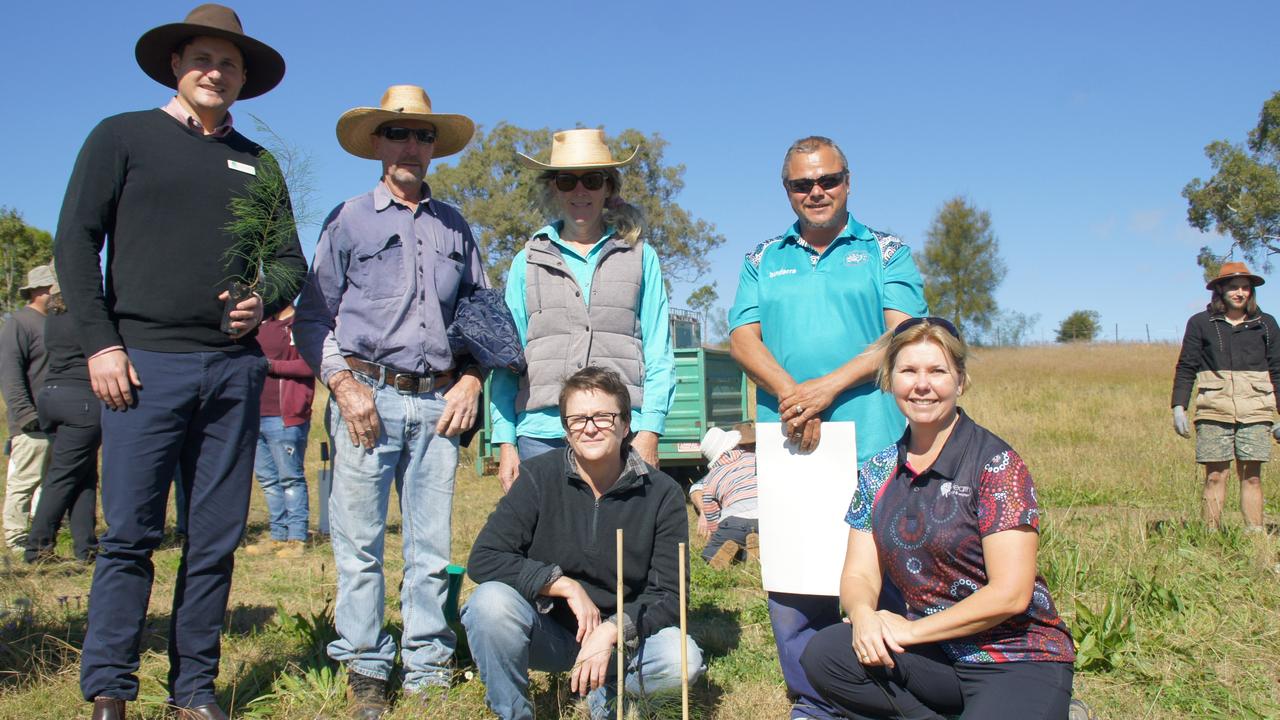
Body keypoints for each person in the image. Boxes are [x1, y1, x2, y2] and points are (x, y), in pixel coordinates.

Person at [52, 6, 303, 719]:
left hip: (231, 372)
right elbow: (76, 242)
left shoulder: (260, 163)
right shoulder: (122, 136)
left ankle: (193, 691)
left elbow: (290, 262)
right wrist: (101, 343)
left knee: (215, 541)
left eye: (228, 63)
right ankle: (110, 687)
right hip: (141, 366)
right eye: (201, 58)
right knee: (129, 535)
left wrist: (262, 297)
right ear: (175, 64)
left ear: (244, 78)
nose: (213, 72)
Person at [293, 84, 485, 719]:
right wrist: (343, 387)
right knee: (360, 545)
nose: (411, 145)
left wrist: (472, 380)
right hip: (365, 397)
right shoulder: (348, 219)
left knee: (430, 549)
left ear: (435, 148)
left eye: (423, 135)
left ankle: (428, 662)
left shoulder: (457, 226)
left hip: (437, 404)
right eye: (399, 133)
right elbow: (312, 314)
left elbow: (483, 316)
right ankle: (367, 664)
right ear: (377, 143)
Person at [727, 136, 928, 720]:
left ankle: (888, 694)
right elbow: (742, 337)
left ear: (848, 181)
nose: (816, 191)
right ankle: (814, 702)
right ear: (786, 190)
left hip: (875, 437)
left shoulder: (887, 251)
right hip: (792, 439)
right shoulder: (762, 257)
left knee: (885, 575)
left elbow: (903, 332)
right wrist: (794, 395)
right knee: (796, 576)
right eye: (801, 184)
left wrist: (828, 387)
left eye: (828, 180)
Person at [800, 317, 1077, 719]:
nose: (922, 385)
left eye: (937, 371)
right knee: (827, 655)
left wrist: (911, 631)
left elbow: (1012, 593)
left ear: (960, 380)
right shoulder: (877, 471)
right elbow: (859, 575)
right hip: (935, 656)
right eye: (908, 371)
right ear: (889, 379)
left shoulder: (996, 464)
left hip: (1016, 657)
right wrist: (862, 616)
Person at [463, 367, 703, 720]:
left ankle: (604, 691)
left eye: (603, 417)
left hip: (623, 643)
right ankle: (513, 713)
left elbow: (670, 595)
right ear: (565, 430)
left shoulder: (662, 493)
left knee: (682, 661)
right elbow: (484, 558)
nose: (589, 427)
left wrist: (611, 631)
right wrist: (562, 585)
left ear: (625, 425)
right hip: (548, 631)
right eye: (577, 419)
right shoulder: (537, 477)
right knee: (488, 605)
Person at [489, 128, 675, 492]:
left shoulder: (640, 257)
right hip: (541, 435)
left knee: (620, 543)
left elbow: (658, 351)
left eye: (592, 180)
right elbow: (506, 360)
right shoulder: (526, 262)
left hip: (620, 432)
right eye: (567, 180)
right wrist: (505, 441)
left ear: (608, 187)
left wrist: (650, 428)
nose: (580, 191)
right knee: (546, 544)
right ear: (553, 188)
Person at [1171, 261, 1280, 531]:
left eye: (1245, 287)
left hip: (1256, 409)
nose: (1240, 292)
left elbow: (1278, 368)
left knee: (1252, 476)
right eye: (1234, 287)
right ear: (1220, 290)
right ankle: (1212, 534)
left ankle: (1254, 533)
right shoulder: (1200, 323)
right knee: (1216, 475)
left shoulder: (1266, 324)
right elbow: (1187, 365)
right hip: (1213, 409)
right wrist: (1178, 406)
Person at [25, 280, 100, 564]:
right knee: (64, 476)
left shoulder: (53, 318)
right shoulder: (85, 316)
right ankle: (38, 548)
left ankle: (86, 547)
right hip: (81, 401)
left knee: (83, 476)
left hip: (51, 397)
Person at [243, 303, 315, 559]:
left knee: (290, 478)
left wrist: (268, 366)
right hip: (254, 413)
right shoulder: (259, 323)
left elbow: (309, 366)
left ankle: (296, 538)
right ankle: (277, 535)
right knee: (268, 480)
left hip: (285, 416)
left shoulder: (300, 324)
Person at [0, 263, 54, 553]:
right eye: (51, 288)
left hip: (57, 420)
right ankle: (16, 539)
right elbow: (10, 373)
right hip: (31, 423)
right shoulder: (19, 323)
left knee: (50, 483)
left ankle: (41, 535)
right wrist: (25, 415)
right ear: (38, 291)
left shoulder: (55, 323)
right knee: (24, 481)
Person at [691, 423, 759, 568]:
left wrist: (718, 534)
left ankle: (733, 553)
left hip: (734, 521)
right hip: (765, 517)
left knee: (709, 554)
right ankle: (753, 554)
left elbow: (712, 515)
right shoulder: (754, 459)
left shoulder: (711, 478)